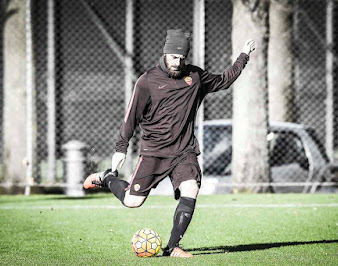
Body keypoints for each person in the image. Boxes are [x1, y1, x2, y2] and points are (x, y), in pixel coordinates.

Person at [84, 29, 255, 258]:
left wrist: (243, 56)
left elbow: (224, 81)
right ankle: (106, 178)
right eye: (174, 57)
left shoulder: (195, 77)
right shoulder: (147, 81)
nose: (178, 62)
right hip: (154, 152)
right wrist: (121, 147)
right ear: (165, 54)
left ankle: (172, 247)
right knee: (132, 201)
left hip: (184, 151)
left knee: (191, 188)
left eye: (182, 58)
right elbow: (131, 117)